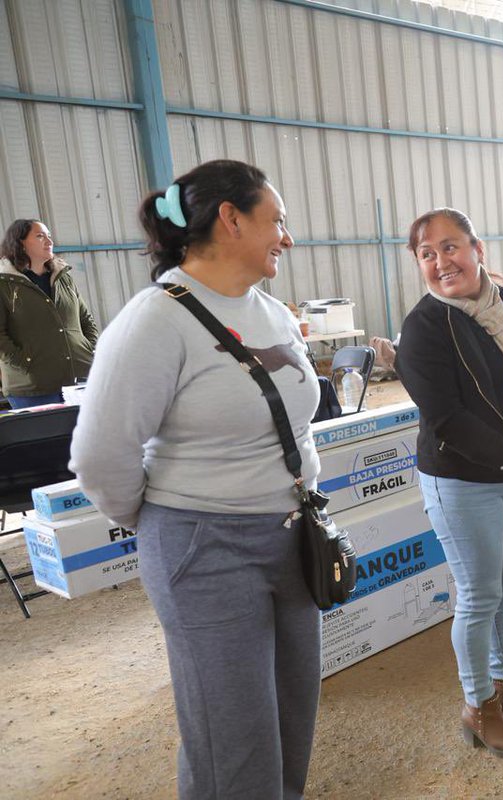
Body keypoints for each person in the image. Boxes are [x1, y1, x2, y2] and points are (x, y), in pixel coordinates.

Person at [70, 160, 321, 798]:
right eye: (277, 221)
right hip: (203, 549)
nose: (286, 238)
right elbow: (101, 456)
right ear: (231, 220)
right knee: (232, 739)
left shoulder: (271, 312)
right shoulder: (154, 319)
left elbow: (295, 420)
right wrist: (164, 524)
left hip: (293, 536)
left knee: (292, 715)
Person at [396, 207, 503, 759]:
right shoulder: (423, 328)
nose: (442, 261)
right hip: (463, 479)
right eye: (428, 253)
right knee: (478, 595)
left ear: (477, 248)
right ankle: (478, 705)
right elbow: (447, 418)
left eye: (451, 247)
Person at [0, 219, 98, 407]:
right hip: (33, 389)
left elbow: (86, 320)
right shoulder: (4, 284)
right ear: (20, 243)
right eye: (40, 236)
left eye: (49, 236)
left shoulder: (63, 278)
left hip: (80, 381)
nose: (49, 241)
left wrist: (89, 348)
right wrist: (25, 363)